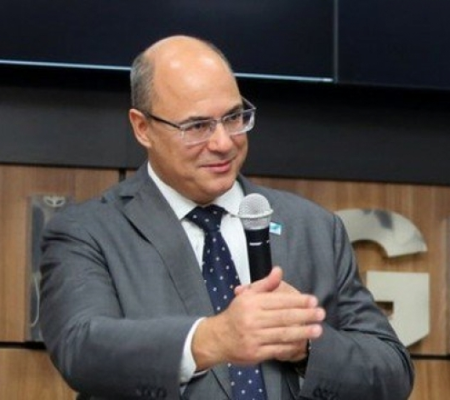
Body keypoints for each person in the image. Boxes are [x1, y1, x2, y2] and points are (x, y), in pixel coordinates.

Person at [39, 35, 414, 400]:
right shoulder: (88, 232)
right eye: (197, 126)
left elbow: (392, 371)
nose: (223, 142)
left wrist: (304, 344)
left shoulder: (313, 228)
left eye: (234, 117)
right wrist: (212, 339)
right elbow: (81, 349)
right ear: (143, 128)